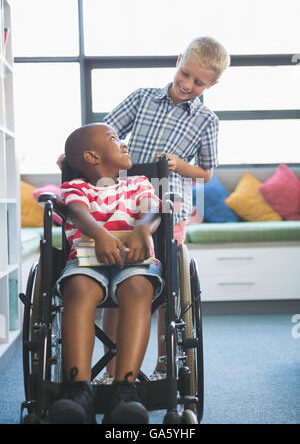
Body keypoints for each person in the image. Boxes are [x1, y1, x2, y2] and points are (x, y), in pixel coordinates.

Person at [56, 36, 230, 379]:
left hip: (169, 201)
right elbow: (103, 135)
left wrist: (180, 165)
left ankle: (164, 362)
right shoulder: (143, 98)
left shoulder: (207, 120)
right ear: (179, 61)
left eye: (199, 82)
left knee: (164, 283)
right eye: (186, 74)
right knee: (115, 274)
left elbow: (207, 173)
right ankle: (111, 363)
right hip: (120, 197)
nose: (188, 85)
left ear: (212, 84)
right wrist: (75, 157)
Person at [48, 123, 163, 424]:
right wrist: (99, 234)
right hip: (87, 261)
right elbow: (77, 212)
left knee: (139, 289)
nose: (123, 143)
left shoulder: (138, 183)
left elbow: (152, 209)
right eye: (114, 139)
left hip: (134, 261)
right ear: (92, 156)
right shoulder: (75, 188)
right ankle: (78, 389)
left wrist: (142, 228)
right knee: (77, 290)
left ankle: (125, 389)